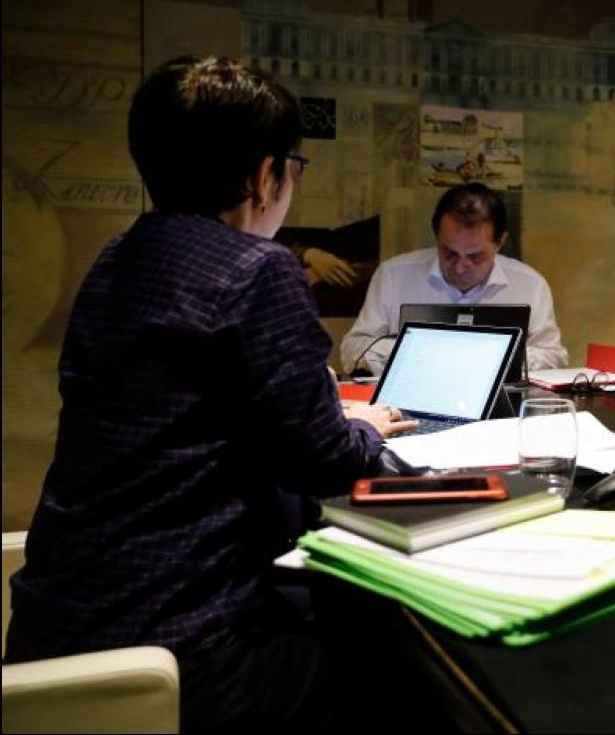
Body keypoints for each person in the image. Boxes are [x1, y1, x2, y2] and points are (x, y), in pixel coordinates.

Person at [3, 56, 418, 730]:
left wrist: (318, 409)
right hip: (184, 644)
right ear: (263, 175)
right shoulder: (259, 268)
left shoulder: (118, 257)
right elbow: (325, 460)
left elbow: (185, 413)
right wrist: (362, 427)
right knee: (402, 660)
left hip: (57, 631)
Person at [341, 182, 569, 374]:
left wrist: (493, 357)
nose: (460, 267)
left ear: (500, 242)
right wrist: (412, 351)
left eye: (475, 256)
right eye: (449, 253)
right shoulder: (394, 275)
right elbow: (353, 350)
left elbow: (553, 356)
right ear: (437, 237)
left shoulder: (530, 284)